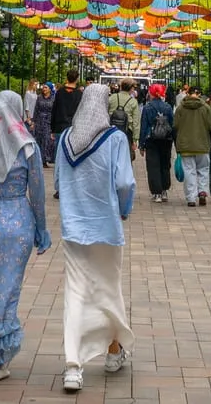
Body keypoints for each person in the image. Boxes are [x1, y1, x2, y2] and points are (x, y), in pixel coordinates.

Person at [0, 90, 52, 383]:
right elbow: (37, 193)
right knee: (9, 288)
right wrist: (42, 227)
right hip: (18, 222)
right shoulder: (28, 147)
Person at [55, 83, 135, 394]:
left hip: (74, 228)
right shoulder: (115, 139)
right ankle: (113, 353)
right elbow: (124, 183)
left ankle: (73, 367)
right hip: (106, 228)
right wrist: (123, 209)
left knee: (75, 293)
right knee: (108, 290)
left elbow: (59, 182)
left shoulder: (65, 139)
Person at [171, 82, 211, 206]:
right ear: (199, 94)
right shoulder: (206, 108)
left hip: (185, 145)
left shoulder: (180, 108)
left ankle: (191, 198)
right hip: (202, 144)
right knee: (203, 169)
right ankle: (202, 192)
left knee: (189, 171)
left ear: (187, 94)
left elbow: (175, 125)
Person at [138, 83, 174, 204]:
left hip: (151, 139)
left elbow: (144, 126)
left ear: (151, 93)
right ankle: (164, 190)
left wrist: (141, 144)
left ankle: (156, 192)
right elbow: (172, 124)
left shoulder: (147, 107)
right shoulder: (168, 107)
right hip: (166, 139)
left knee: (153, 166)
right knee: (165, 164)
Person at [50, 69, 82, 146]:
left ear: (67, 78)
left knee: (58, 151)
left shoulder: (59, 92)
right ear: (77, 79)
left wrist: (52, 129)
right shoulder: (79, 94)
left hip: (59, 127)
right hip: (73, 128)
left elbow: (54, 111)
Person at [108, 80, 140, 153]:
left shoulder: (112, 97)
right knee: (125, 155)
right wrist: (135, 139)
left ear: (121, 87)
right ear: (131, 88)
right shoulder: (133, 101)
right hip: (127, 131)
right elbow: (136, 122)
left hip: (111, 130)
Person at [32, 81, 57, 164]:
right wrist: (33, 122)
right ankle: (39, 159)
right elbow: (36, 109)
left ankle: (45, 159)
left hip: (49, 121)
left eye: (46, 87)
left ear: (50, 89)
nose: (44, 89)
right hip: (39, 120)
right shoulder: (39, 97)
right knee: (38, 139)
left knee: (47, 140)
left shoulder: (54, 98)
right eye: (43, 87)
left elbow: (55, 111)